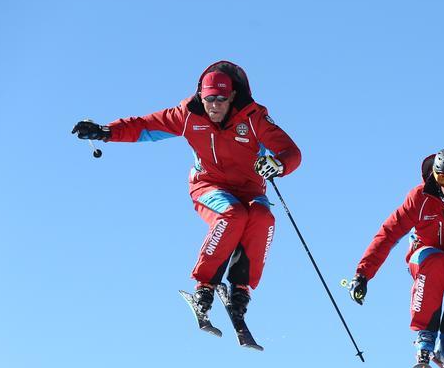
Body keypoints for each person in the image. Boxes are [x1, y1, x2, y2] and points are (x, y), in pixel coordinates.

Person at [71, 60, 301, 328]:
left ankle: (240, 290)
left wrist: (279, 164)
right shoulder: (188, 115)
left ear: (233, 96)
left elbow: (291, 152)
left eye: (221, 99)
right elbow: (144, 126)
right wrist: (105, 131)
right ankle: (205, 285)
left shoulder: (253, 118)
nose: (214, 105)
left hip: (251, 189)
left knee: (262, 218)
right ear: (201, 97)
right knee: (232, 215)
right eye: (209, 99)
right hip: (209, 185)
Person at [347, 147, 444, 368]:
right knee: (435, 260)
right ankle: (426, 335)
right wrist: (363, 274)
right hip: (426, 258)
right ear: (435, 177)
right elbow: (388, 233)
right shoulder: (420, 198)